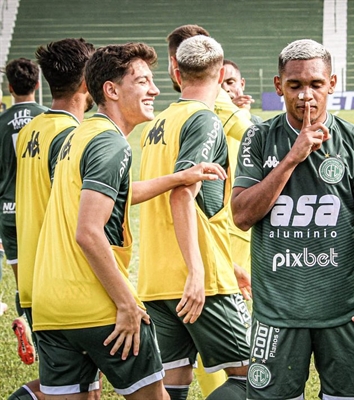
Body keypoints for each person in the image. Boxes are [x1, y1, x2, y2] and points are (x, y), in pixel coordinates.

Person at [30, 42, 226, 399]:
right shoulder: (111, 144)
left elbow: (113, 195)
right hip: (98, 303)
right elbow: (89, 232)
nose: (154, 89)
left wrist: (177, 178)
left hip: (51, 309)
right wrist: (125, 302)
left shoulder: (79, 136)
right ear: (112, 90)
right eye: (143, 81)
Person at [231, 39, 354, 399]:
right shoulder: (258, 138)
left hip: (345, 311)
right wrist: (292, 158)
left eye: (316, 84)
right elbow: (242, 215)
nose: (305, 95)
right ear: (279, 86)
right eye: (295, 85)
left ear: (332, 84)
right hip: (277, 312)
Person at [138, 35, 250, 400]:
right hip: (199, 281)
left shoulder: (157, 124)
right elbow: (182, 194)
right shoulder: (206, 121)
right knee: (255, 374)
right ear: (221, 79)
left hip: (156, 280)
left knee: (174, 382)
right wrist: (199, 271)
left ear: (175, 71)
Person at [10, 37, 97, 400]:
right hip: (61, 281)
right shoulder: (70, 134)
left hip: (32, 277)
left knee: (80, 389)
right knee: (68, 392)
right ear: (85, 83)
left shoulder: (32, 128)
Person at [0, 57, 47, 366]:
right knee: (47, 276)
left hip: (8, 210)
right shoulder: (47, 118)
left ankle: (26, 324)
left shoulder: (0, 122)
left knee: (24, 285)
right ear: (37, 84)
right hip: (39, 210)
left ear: (9, 87)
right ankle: (48, 343)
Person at [221, 59, 263, 125]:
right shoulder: (207, 122)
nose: (225, 89)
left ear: (242, 84)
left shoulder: (258, 124)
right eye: (218, 84)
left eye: (230, 82)